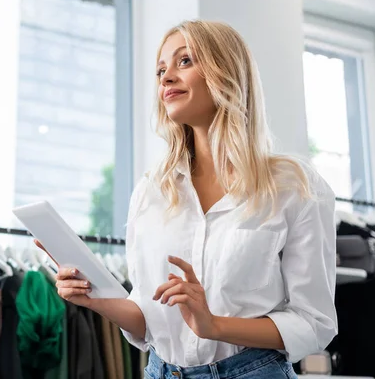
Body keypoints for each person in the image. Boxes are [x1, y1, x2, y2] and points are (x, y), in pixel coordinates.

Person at [35, 19, 338, 379]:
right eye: (161, 69)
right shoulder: (153, 191)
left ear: (226, 71)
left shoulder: (295, 186)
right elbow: (146, 318)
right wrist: (94, 299)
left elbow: (314, 323)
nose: (165, 78)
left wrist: (214, 325)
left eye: (184, 61)